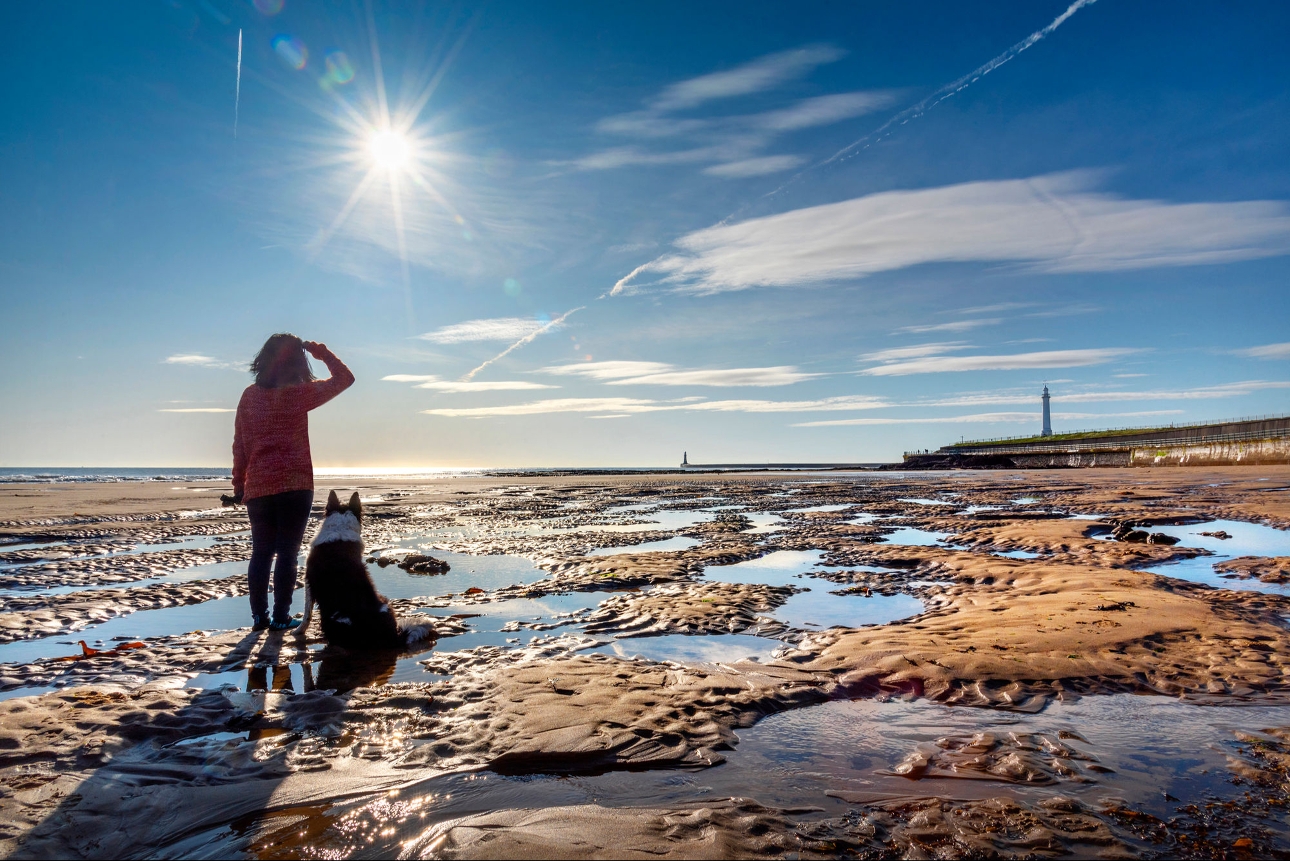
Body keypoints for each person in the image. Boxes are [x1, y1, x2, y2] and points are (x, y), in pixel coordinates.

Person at [230, 334, 355, 631]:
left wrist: (239, 483)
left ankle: (259, 618)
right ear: (297, 362)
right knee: (287, 551)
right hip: (295, 484)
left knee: (261, 551)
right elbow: (345, 378)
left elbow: (240, 444)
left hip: (259, 485)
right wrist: (320, 351)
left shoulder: (250, 396)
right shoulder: (299, 393)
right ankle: (280, 617)